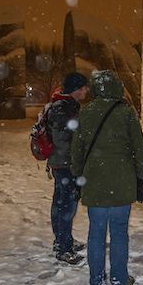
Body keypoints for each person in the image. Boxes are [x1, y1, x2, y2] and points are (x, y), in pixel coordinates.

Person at [70, 70, 143, 285]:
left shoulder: (86, 112)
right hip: (122, 182)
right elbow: (139, 149)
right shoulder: (126, 112)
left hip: (94, 182)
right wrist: (140, 177)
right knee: (119, 233)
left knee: (96, 232)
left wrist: (77, 175)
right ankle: (118, 280)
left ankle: (95, 280)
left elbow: (77, 149)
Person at [47, 72, 89, 265]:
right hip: (65, 164)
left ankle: (62, 241)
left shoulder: (63, 105)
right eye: (84, 87)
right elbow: (63, 139)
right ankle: (64, 248)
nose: (86, 91)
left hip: (61, 162)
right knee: (66, 206)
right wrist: (76, 159)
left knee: (60, 203)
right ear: (76, 89)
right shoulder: (62, 108)